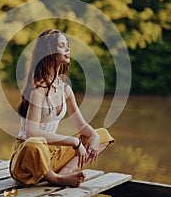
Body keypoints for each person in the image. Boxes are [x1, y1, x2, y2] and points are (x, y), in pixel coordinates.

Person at [10, 29, 114, 187]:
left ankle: (65, 173)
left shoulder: (65, 89)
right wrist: (74, 141)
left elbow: (81, 125)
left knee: (103, 135)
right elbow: (32, 133)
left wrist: (93, 136)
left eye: (68, 45)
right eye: (62, 45)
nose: (67, 49)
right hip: (26, 161)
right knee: (35, 143)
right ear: (48, 52)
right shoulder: (37, 89)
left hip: (51, 156)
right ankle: (55, 179)